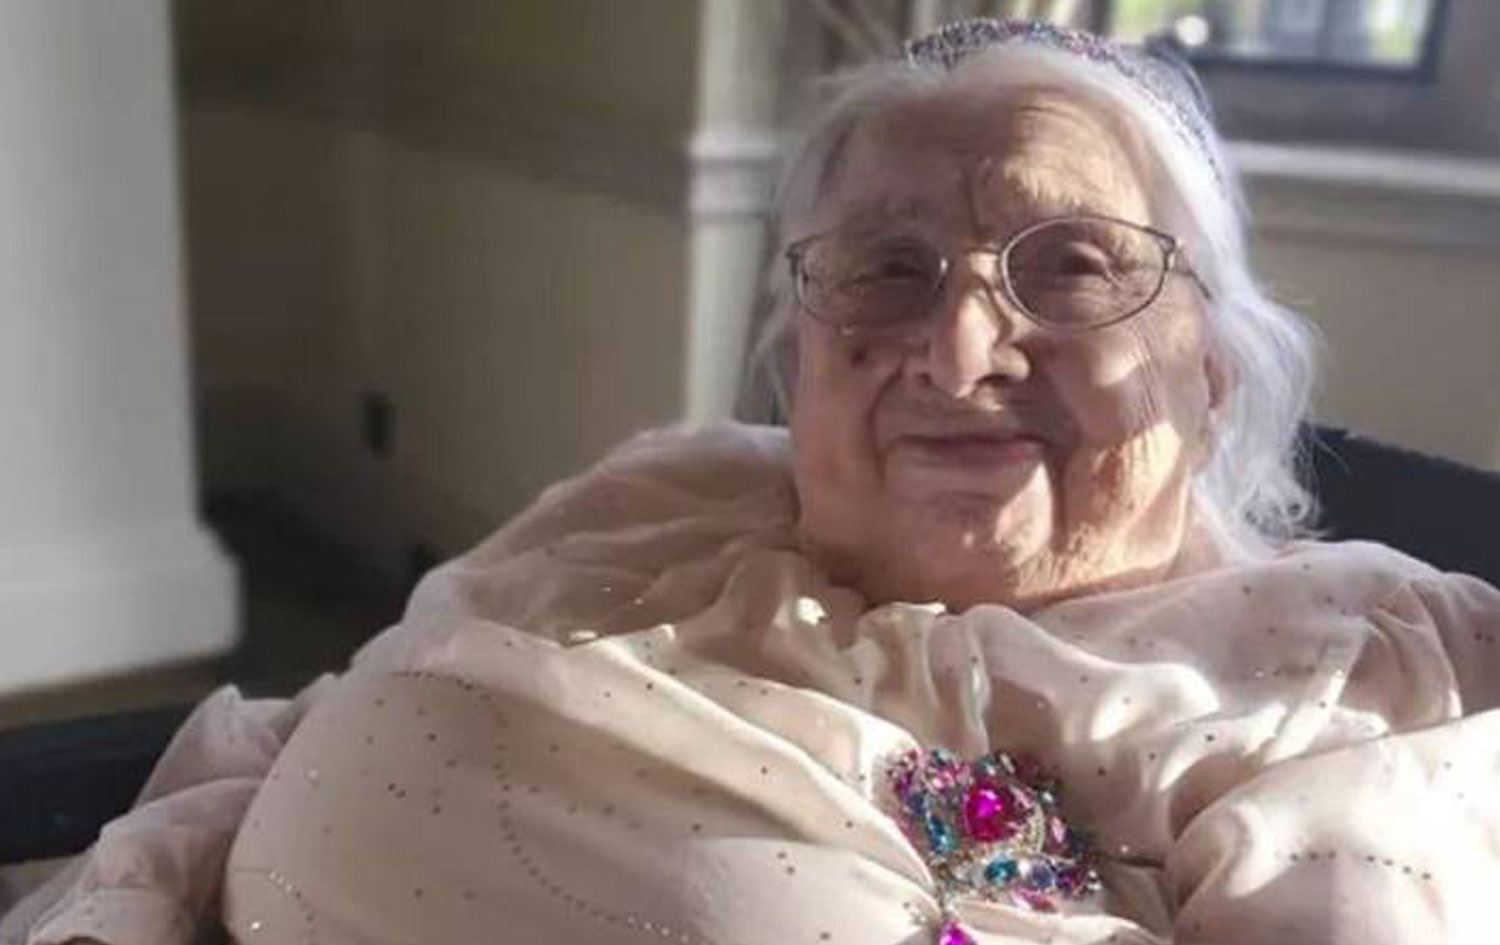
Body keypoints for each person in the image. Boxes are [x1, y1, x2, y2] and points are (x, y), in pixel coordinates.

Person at [6, 18, 1499, 945]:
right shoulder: (666, 497)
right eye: (889, 269)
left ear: (1213, 365)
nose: (959, 347)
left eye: (1071, 267)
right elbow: (304, 733)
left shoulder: (1369, 684)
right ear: (798, 357)